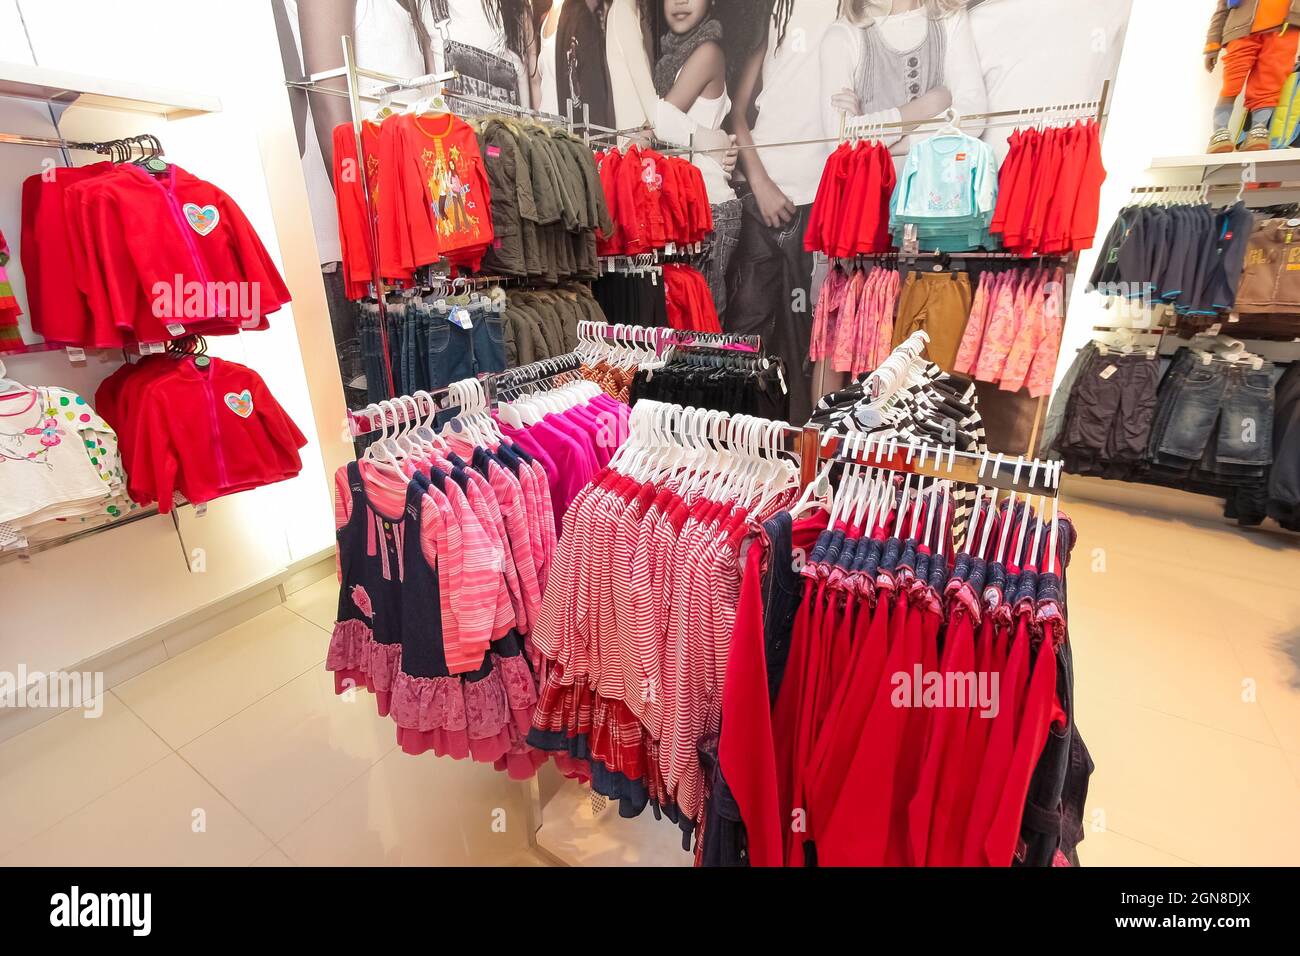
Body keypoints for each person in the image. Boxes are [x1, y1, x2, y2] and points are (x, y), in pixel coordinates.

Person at [726, 0, 840, 422]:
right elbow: (737, 112)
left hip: (819, 202)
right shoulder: (775, 12)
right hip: (760, 199)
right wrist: (760, 182)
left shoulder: (851, 14)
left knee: (807, 343)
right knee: (746, 335)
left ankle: (801, 467)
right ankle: (740, 457)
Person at [655, 0, 744, 320]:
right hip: (689, 207)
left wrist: (707, 141)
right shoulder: (672, 57)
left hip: (710, 208)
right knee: (687, 330)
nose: (680, 2)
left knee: (703, 333)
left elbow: (659, 119)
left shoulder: (707, 51)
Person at [819, 0, 988, 159]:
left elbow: (974, 117)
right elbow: (840, 144)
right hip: (872, 189)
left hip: (939, 186)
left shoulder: (950, 17)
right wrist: (928, 106)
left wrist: (889, 144)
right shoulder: (843, 35)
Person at [1204, 0, 1300, 153]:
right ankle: (1219, 132)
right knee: (1232, 82)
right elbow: (1222, 8)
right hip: (1241, 30)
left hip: (1286, 30)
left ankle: (1258, 129)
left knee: (1269, 84)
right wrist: (1212, 45)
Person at [531, 0, 616, 125]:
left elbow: (594, 89)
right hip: (545, 133)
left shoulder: (579, 17)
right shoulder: (544, 19)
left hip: (565, 135)